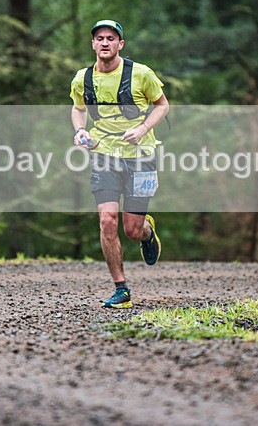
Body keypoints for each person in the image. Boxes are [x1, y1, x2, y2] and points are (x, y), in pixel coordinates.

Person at [69, 19, 170, 309]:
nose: (104, 43)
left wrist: (141, 130)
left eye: (110, 38)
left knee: (131, 229)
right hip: (103, 155)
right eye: (99, 38)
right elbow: (78, 109)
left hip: (142, 156)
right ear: (93, 44)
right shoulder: (82, 79)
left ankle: (147, 232)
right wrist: (80, 130)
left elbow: (162, 105)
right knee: (107, 220)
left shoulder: (141, 74)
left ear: (120, 44)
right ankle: (121, 289)